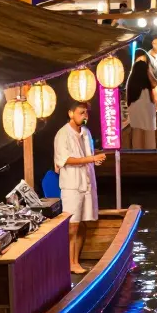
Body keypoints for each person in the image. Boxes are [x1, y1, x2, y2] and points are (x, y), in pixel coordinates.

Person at [54, 100, 105, 273]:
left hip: (87, 182)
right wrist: (91, 159)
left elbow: (88, 154)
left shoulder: (86, 132)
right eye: (80, 113)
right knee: (72, 225)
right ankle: (71, 263)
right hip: (71, 185)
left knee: (83, 223)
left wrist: (95, 159)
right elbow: (65, 159)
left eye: (86, 113)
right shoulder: (62, 134)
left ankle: (76, 260)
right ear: (70, 113)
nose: (84, 116)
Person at [126, 51, 157, 150]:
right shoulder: (143, 66)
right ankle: (149, 157)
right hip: (145, 106)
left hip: (134, 106)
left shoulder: (131, 75)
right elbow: (155, 82)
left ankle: (138, 159)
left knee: (137, 133)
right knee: (149, 134)